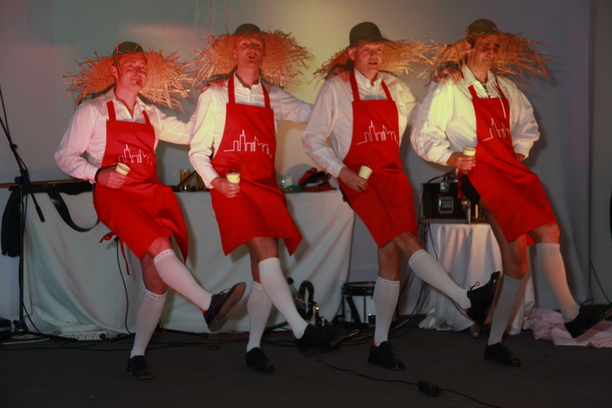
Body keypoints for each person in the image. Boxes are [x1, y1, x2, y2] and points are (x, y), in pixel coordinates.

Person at [411, 19, 612, 367]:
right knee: (547, 231)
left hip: (510, 170)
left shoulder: (504, 87)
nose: (491, 53)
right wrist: (451, 157)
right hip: (481, 174)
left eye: (495, 47)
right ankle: (571, 313)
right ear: (468, 47)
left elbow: (527, 126)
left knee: (517, 263)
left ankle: (494, 343)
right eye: (484, 46)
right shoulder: (450, 86)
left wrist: (517, 152)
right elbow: (423, 134)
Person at [302, 21, 499, 370]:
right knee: (407, 239)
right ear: (351, 53)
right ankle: (465, 299)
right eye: (366, 50)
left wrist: (439, 83)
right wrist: (341, 172)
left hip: (393, 177)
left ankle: (379, 344)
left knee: (391, 257)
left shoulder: (395, 87)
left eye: (378, 50)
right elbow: (312, 138)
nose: (374, 55)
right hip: (360, 180)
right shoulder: (335, 87)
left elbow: (423, 119)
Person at [55, 42, 246, 380]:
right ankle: (207, 304)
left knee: (157, 279)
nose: (138, 72)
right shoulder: (93, 110)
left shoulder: (151, 114)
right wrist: (97, 174)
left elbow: (192, 133)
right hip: (115, 195)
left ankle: (137, 356)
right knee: (159, 246)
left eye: (142, 67)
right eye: (131, 66)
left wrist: (209, 97)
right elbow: (64, 156)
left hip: (150, 194)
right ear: (114, 70)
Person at [189, 24, 341, 373]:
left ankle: (254, 347)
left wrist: (335, 86)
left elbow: (318, 115)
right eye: (245, 43)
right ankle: (302, 330)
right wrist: (215, 182)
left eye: (257, 44)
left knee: (262, 270)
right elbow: (197, 151)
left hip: (266, 187)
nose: (252, 48)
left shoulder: (276, 97)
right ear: (234, 51)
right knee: (268, 249)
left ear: (264, 52)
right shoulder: (215, 95)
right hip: (232, 187)